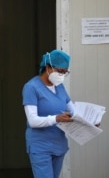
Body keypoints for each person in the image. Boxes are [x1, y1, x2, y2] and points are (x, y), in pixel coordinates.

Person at [22, 49, 74, 178]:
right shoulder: (31, 87)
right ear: (48, 67)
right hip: (40, 146)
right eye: (60, 71)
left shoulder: (60, 87)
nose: (62, 75)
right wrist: (56, 118)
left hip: (58, 144)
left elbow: (73, 112)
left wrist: (90, 122)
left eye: (65, 72)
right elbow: (33, 121)